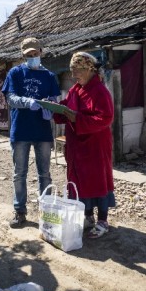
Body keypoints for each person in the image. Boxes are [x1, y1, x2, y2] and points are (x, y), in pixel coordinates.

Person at [53, 52, 115, 238]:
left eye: (77, 70)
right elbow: (66, 105)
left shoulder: (100, 91)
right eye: (72, 71)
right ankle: (88, 216)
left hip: (95, 146)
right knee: (80, 181)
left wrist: (77, 118)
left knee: (98, 181)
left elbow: (105, 118)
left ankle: (103, 220)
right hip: (76, 145)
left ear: (89, 69)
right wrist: (54, 108)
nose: (74, 76)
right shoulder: (76, 89)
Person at [1, 37, 61, 228]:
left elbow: (55, 98)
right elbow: (10, 98)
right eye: (29, 55)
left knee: (45, 173)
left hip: (42, 131)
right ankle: (20, 211)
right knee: (20, 173)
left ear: (41, 52)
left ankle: (47, 211)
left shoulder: (50, 76)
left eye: (35, 54)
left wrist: (49, 107)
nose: (33, 57)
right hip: (21, 130)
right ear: (23, 55)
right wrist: (27, 102)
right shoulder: (16, 72)